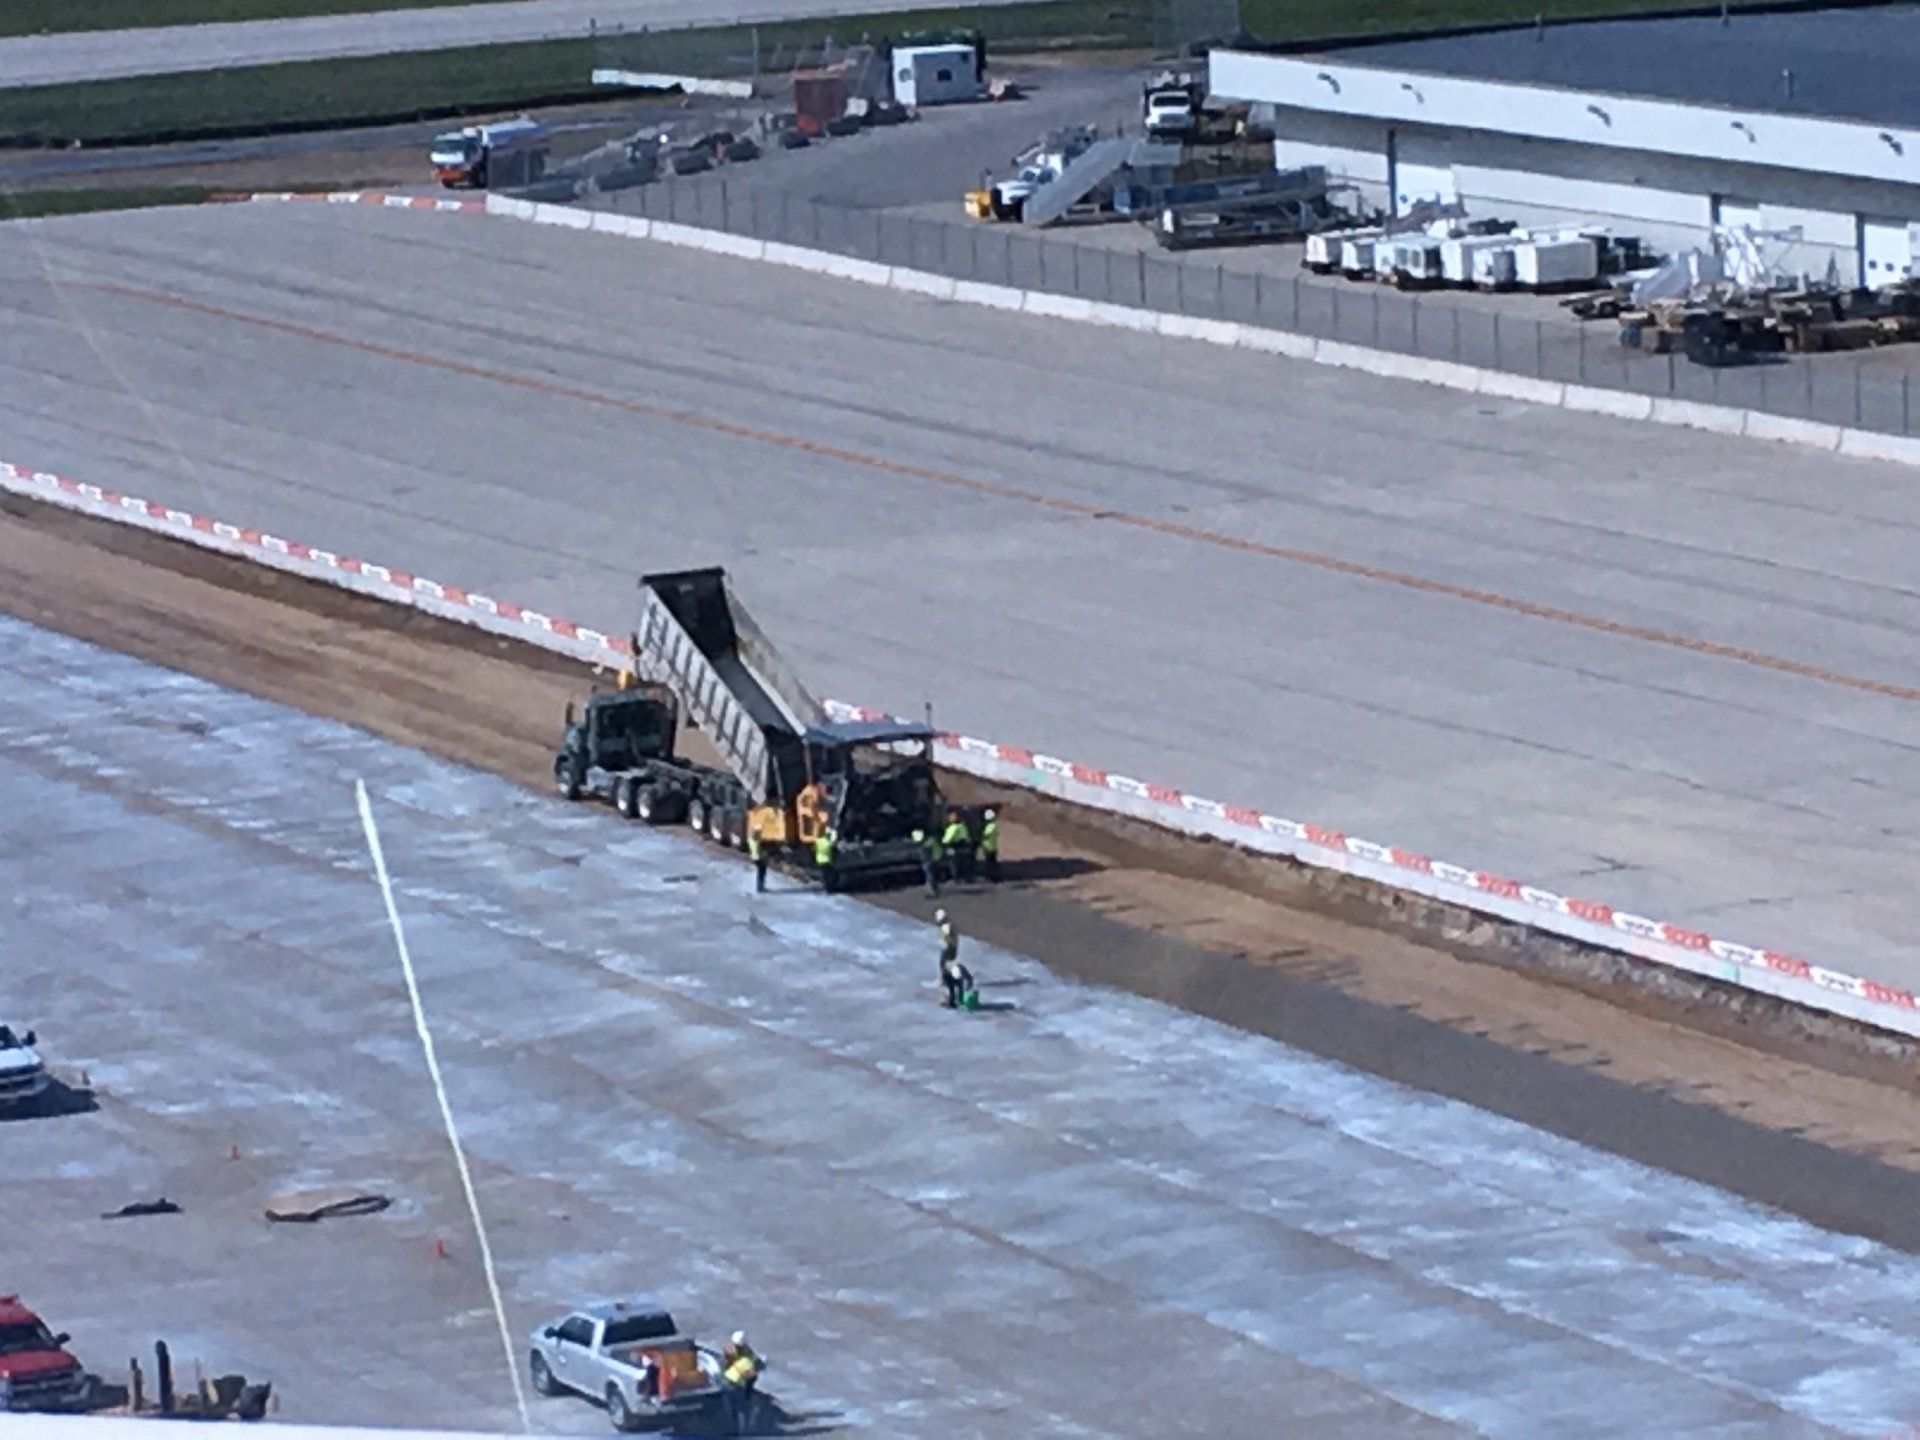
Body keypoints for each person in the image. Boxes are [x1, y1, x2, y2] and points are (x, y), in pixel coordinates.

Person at [720, 1331, 763, 1431]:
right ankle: (740, 1430)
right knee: (741, 1409)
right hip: (736, 1385)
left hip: (727, 1380)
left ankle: (732, 1426)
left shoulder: (729, 1350)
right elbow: (750, 1375)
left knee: (731, 1407)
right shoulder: (747, 1360)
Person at [940, 810, 973, 882]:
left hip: (954, 848)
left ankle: (956, 878)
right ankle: (966, 878)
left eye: (951, 817)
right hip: (963, 847)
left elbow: (947, 839)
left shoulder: (953, 827)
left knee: (953, 864)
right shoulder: (963, 826)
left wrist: (943, 843)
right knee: (963, 864)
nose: (949, 818)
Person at [911, 826, 939, 897]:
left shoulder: (927, 843)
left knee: (930, 876)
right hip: (928, 861)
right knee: (930, 875)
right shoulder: (929, 842)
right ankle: (933, 890)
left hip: (928, 861)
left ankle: (932, 891)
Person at [978, 808, 1001, 883]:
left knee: (990, 864)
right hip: (991, 847)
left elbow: (986, 835)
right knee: (992, 863)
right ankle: (993, 876)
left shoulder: (991, 826)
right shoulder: (993, 825)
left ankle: (993, 877)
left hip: (989, 848)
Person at [748, 826, 768, 893]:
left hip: (754, 857)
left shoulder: (751, 839)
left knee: (761, 871)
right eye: (759, 832)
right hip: (760, 857)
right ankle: (760, 887)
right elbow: (760, 846)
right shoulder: (757, 840)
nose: (760, 833)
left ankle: (760, 886)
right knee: (762, 871)